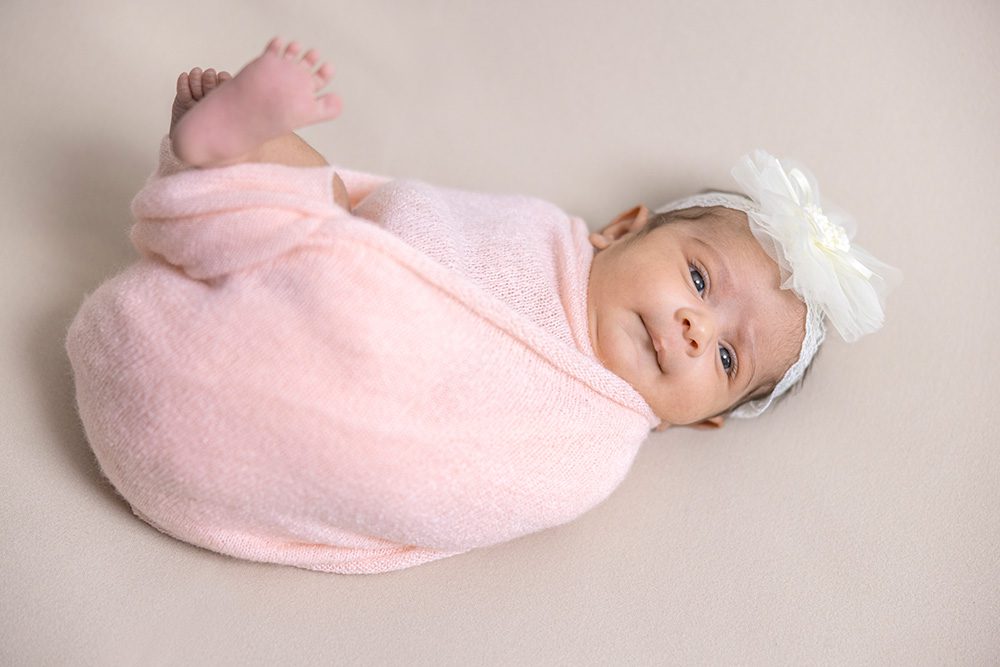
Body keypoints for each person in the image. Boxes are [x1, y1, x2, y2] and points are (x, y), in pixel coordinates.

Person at [65, 38, 898, 573]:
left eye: (725, 357)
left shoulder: (588, 450)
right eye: (699, 279)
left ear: (701, 419)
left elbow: (437, 480)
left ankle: (222, 172)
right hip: (311, 297)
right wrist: (357, 266)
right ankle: (229, 146)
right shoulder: (537, 232)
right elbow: (381, 216)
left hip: (233, 434)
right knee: (322, 202)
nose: (694, 326)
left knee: (331, 251)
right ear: (619, 229)